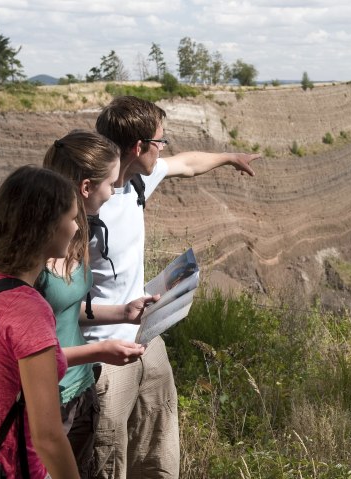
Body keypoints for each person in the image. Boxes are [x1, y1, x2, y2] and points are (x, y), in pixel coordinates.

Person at [82, 95, 260, 479]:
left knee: (157, 450)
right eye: (159, 142)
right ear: (138, 147)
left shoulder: (139, 181)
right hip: (104, 353)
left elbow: (188, 164)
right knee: (107, 458)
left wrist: (230, 157)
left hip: (148, 336)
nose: (164, 150)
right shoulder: (86, 205)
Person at [41, 130, 158, 477]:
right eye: (110, 183)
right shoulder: (39, 246)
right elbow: (27, 351)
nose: (115, 190)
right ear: (87, 187)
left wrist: (123, 312)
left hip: (79, 389)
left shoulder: (76, 234)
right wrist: (99, 351)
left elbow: (63, 309)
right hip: (49, 396)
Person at [0, 165, 80, 479]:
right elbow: (49, 438)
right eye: (72, 218)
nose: (77, 227)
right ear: (48, 226)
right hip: (12, 467)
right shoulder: (27, 309)